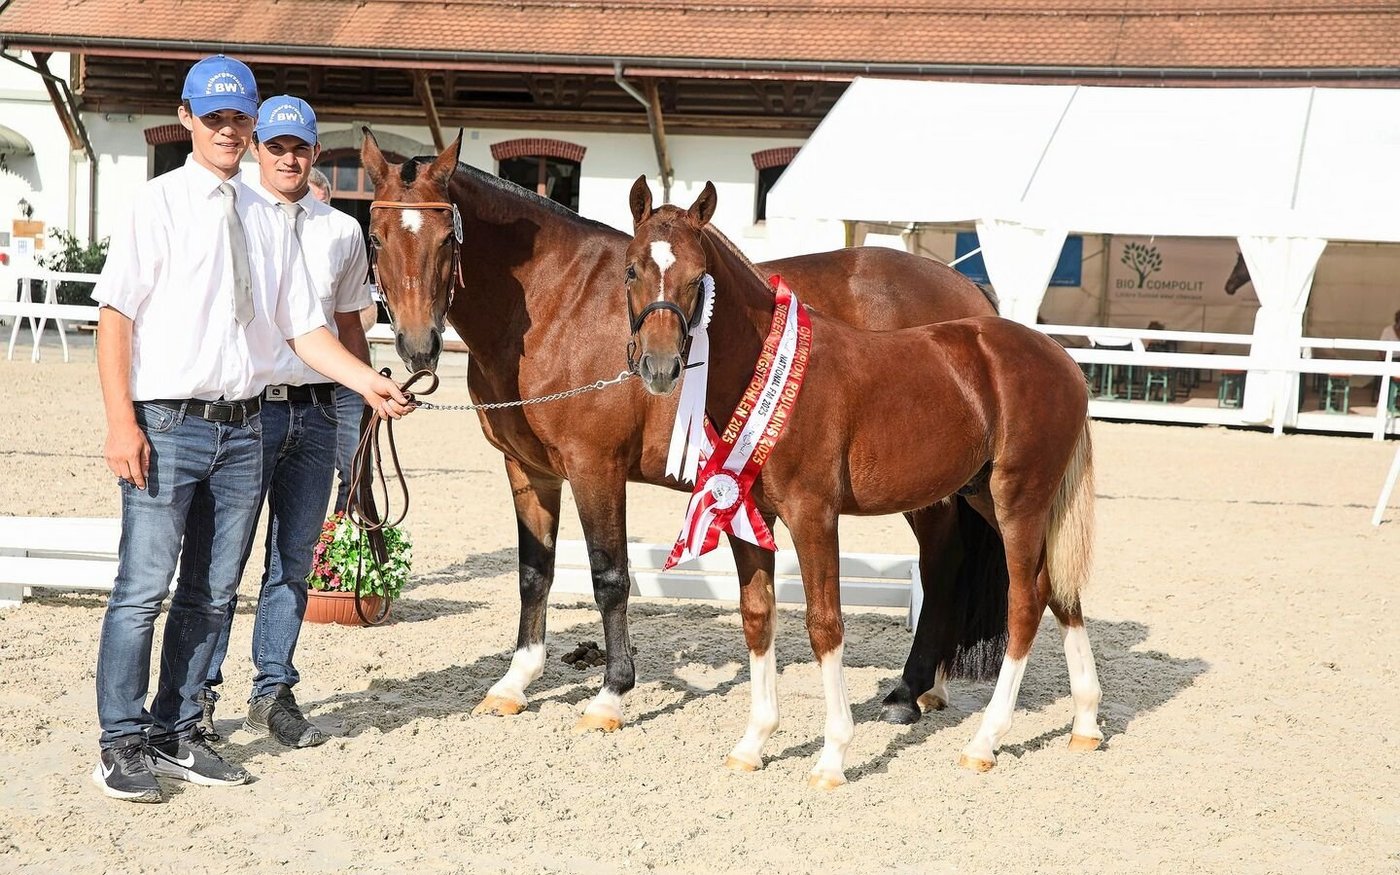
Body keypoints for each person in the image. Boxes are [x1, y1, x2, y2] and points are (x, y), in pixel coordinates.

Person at [91, 55, 412, 804]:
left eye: (239, 118)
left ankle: (178, 730)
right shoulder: (157, 204)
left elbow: (304, 328)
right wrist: (120, 422)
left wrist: (365, 381)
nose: (228, 130)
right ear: (187, 119)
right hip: (168, 421)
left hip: (243, 427)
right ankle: (121, 739)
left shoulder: (268, 215)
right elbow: (116, 317)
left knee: (211, 591)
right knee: (143, 589)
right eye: (215, 118)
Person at [196, 95, 372, 749]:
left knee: (293, 561)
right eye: (276, 147)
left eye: (300, 148)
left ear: (315, 153)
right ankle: (199, 692)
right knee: (224, 560)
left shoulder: (341, 232)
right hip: (247, 410)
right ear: (256, 150)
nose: (289, 159)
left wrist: (366, 397)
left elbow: (349, 326)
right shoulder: (229, 213)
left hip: (318, 409)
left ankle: (273, 690)